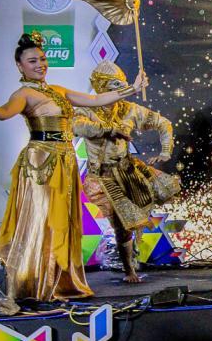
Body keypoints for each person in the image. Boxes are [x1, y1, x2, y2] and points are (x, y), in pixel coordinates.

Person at [0, 32, 148, 301]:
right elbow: (4, 113)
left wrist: (132, 88)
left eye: (42, 59)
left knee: (62, 222)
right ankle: (34, 280)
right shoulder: (24, 94)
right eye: (32, 61)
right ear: (20, 65)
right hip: (41, 162)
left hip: (65, 160)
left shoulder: (59, 91)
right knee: (42, 219)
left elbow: (96, 100)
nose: (40, 64)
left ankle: (58, 281)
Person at [73, 60, 180, 283]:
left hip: (127, 172)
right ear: (101, 87)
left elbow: (163, 123)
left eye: (121, 85)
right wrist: (109, 129)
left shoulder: (129, 110)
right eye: (114, 86)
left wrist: (165, 151)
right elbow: (77, 127)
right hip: (101, 177)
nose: (119, 90)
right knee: (120, 223)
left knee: (126, 224)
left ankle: (130, 269)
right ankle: (129, 268)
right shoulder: (86, 109)